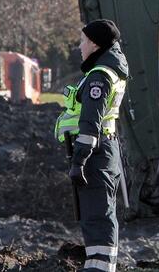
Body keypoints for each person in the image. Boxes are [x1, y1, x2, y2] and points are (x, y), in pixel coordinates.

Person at [54, 19, 128, 272]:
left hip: (95, 155)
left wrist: (79, 161)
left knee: (97, 216)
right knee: (101, 213)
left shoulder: (99, 76)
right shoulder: (107, 70)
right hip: (104, 151)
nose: (79, 46)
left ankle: (98, 269)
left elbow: (90, 123)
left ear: (95, 44)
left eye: (83, 41)